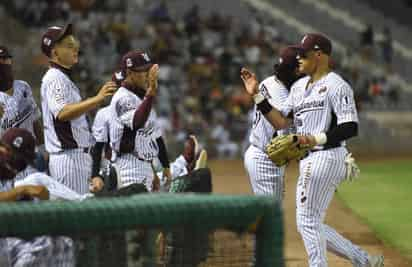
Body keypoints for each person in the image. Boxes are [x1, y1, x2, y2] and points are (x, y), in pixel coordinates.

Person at [241, 33, 384, 267]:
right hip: (312, 157)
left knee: (307, 221)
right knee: (309, 222)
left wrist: (316, 139)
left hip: (324, 156)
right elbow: (280, 121)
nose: (299, 60)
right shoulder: (298, 88)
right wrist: (257, 95)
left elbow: (350, 126)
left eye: (303, 55)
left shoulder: (337, 85)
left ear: (318, 56)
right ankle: (363, 261)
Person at [40, 23, 117, 194]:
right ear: (54, 52)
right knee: (75, 216)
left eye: (74, 44)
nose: (75, 48)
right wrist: (97, 99)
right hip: (69, 158)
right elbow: (62, 113)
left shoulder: (62, 77)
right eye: (68, 45)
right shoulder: (54, 78)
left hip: (76, 157)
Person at [244, 46, 302, 202]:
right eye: (299, 69)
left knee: (270, 212)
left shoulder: (270, 81)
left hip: (268, 157)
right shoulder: (280, 92)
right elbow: (280, 123)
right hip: (264, 158)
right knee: (270, 214)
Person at [109, 50, 171, 191]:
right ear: (130, 73)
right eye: (143, 71)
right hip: (129, 167)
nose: (147, 75)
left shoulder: (141, 100)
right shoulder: (123, 97)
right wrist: (150, 94)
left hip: (144, 164)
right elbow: (137, 122)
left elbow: (155, 136)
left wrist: (164, 166)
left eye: (148, 69)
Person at [0, 45, 46, 174]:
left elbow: (35, 120)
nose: (3, 63)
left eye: (5, 59)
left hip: (33, 157)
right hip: (10, 162)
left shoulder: (23, 86)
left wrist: (43, 149)